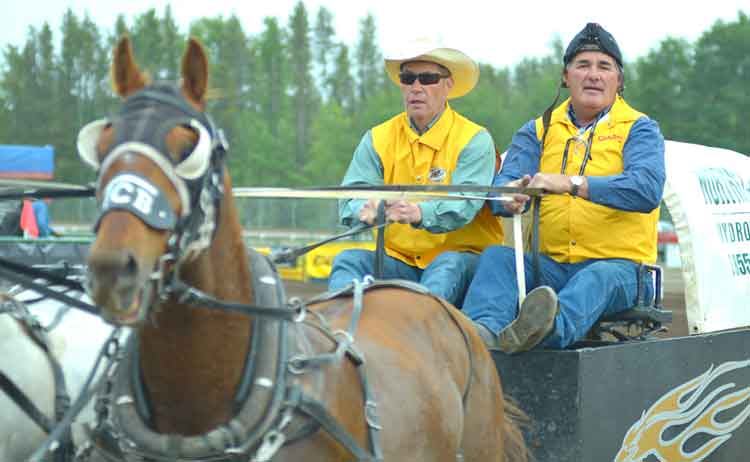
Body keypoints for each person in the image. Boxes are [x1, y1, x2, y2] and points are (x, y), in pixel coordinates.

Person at [464, 23, 666, 352]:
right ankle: (478, 342)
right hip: (549, 267)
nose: (593, 75)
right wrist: (510, 195)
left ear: (619, 80)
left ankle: (544, 332)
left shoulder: (641, 129)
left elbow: (645, 189)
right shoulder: (537, 130)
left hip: (622, 269)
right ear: (565, 76)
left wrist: (572, 184)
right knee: (497, 258)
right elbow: (500, 188)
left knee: (596, 278)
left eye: (604, 67)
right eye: (582, 65)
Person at [327, 37, 504, 307]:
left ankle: (416, 341)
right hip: (396, 260)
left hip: (460, 257)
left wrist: (418, 213)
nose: (416, 87)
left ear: (448, 85)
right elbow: (348, 203)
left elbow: (465, 206)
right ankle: (337, 338)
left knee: (446, 268)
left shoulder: (475, 139)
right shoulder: (376, 138)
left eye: (428, 78)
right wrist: (368, 209)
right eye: (408, 78)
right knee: (347, 261)